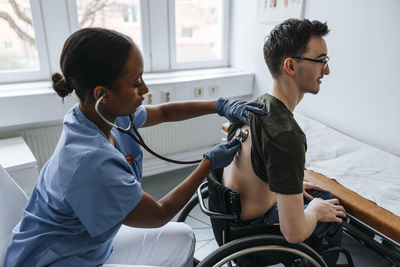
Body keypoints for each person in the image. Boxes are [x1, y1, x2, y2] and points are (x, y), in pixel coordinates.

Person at [4, 28, 266, 267]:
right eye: (136, 81)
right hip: (55, 261)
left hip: (86, 244)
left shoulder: (98, 115)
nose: (146, 88)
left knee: (183, 237)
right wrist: (208, 163)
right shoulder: (90, 162)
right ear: (101, 94)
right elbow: (158, 213)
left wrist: (219, 105)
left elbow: (164, 112)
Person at [221, 19, 346, 266]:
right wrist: (316, 211)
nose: (327, 71)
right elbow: (294, 232)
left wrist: (288, 186)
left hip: (228, 219)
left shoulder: (255, 106)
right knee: (332, 211)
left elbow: (257, 168)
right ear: (290, 65)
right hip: (253, 236)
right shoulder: (287, 136)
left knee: (319, 193)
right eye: (321, 60)